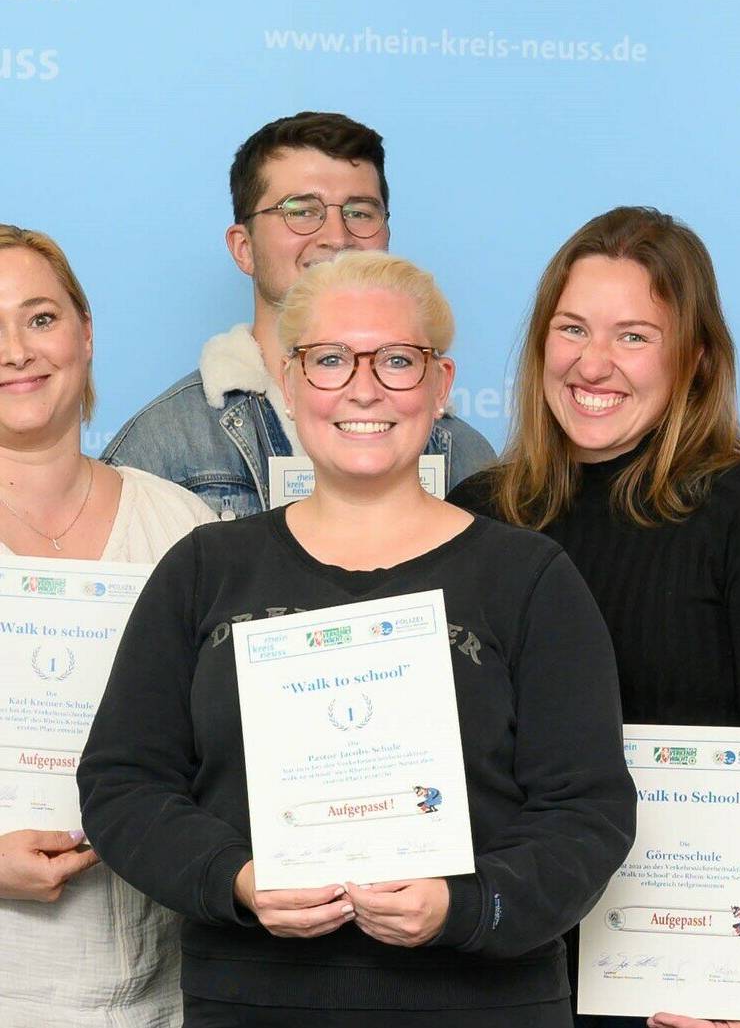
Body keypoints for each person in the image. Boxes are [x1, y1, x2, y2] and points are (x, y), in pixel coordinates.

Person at [78, 251, 634, 1026]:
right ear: (291, 379)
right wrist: (233, 876)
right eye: (331, 359)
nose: (364, 386)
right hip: (254, 1001)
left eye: (397, 360)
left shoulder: (531, 578)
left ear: (441, 386)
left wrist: (463, 905)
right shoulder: (206, 568)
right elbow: (122, 783)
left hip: (480, 1004)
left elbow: (589, 813)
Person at [450, 206, 740, 1028]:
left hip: (679, 981)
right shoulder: (476, 516)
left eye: (633, 336)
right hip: (494, 965)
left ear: (692, 358)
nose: (593, 363)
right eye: (572, 328)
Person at [0, 226, 215, 1025]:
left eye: (41, 318)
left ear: (85, 333)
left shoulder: (180, 523)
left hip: (163, 993)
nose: (17, 350)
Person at [101, 110, 494, 518]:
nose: (338, 237)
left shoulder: (463, 453)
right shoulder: (161, 447)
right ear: (243, 248)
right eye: (301, 211)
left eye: (360, 212)